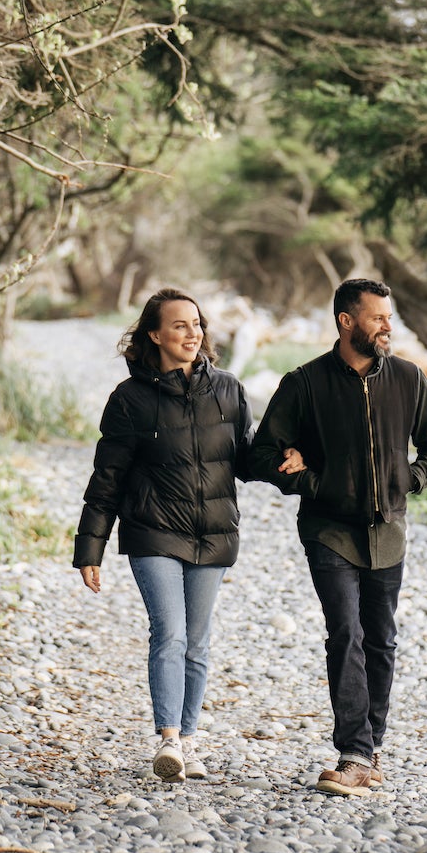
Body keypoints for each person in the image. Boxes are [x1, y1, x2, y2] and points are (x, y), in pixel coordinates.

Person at [74, 288, 300, 782]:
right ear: (155, 335)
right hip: (153, 532)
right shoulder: (129, 400)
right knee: (170, 633)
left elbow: (245, 459)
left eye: (196, 324)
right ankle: (169, 740)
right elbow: (107, 478)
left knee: (197, 642)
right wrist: (90, 546)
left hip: (213, 534)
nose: (192, 333)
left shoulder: (228, 389)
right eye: (179, 325)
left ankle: (190, 741)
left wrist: (290, 463)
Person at [250, 277, 427, 796]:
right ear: (346, 321)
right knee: (346, 633)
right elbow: (259, 455)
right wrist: (305, 478)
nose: (388, 326)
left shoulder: (408, 378)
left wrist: (409, 479)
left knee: (380, 639)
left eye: (389, 317)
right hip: (329, 531)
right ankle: (355, 752)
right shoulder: (305, 383)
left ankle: (370, 747)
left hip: (388, 531)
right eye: (378, 317)